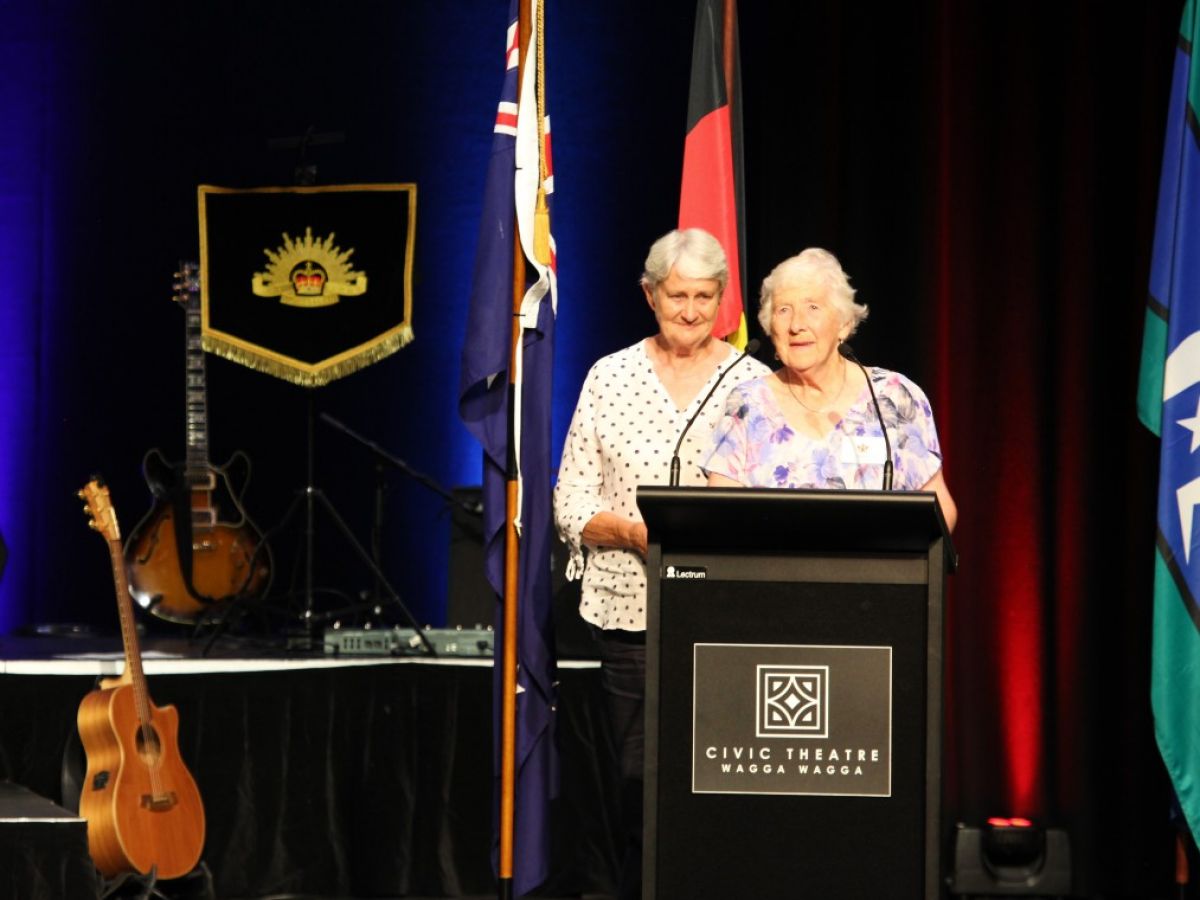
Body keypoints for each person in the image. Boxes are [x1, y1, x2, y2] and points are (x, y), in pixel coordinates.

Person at [553, 227, 769, 899]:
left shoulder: (752, 383)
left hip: (726, 611)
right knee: (637, 775)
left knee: (717, 769)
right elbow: (569, 501)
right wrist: (633, 535)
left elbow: (774, 492)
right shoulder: (609, 377)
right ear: (649, 295)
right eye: (678, 296)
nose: (691, 311)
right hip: (626, 610)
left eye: (706, 298)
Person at [704, 247, 957, 531]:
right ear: (770, 327)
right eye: (784, 310)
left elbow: (940, 510)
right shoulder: (746, 405)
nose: (797, 325)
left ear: (844, 324)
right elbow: (719, 517)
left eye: (813, 308)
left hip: (876, 572)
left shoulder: (894, 396)